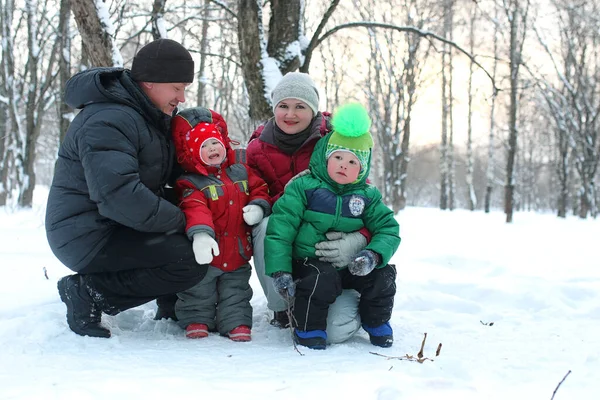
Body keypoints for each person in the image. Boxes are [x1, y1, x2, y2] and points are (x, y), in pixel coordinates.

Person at [46, 38, 206, 338]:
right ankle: (88, 292)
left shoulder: (145, 116)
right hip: (87, 235)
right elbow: (119, 196)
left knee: (200, 224)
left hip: (114, 225)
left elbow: (165, 176)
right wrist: (184, 220)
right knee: (188, 258)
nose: (181, 97)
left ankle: (171, 304)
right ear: (150, 82)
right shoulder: (109, 118)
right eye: (177, 87)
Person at [246, 72, 371, 343]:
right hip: (287, 232)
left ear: (313, 110)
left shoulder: (334, 141)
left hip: (327, 242)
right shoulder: (258, 149)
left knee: (336, 331)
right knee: (265, 223)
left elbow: (366, 199)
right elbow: (256, 193)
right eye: (283, 106)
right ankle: (283, 307)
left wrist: (358, 239)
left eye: (300, 106)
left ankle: (355, 299)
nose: (290, 114)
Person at [265, 103, 400, 350]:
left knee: (383, 274)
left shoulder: (367, 195)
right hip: (310, 262)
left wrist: (372, 254)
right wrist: (280, 270)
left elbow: (388, 229)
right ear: (325, 157)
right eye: (337, 157)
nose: (343, 165)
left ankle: (376, 322)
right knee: (320, 278)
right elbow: (280, 229)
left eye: (352, 162)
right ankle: (308, 330)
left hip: (350, 264)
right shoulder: (304, 187)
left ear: (362, 169)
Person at [170, 107, 271, 341]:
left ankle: (236, 322)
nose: (212, 149)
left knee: (236, 290)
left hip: (237, 250)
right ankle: (197, 319)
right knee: (199, 290)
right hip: (209, 251)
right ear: (195, 154)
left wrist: (258, 207)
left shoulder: (241, 171)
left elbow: (260, 188)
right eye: (204, 146)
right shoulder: (191, 182)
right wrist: (201, 235)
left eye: (214, 143)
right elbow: (194, 209)